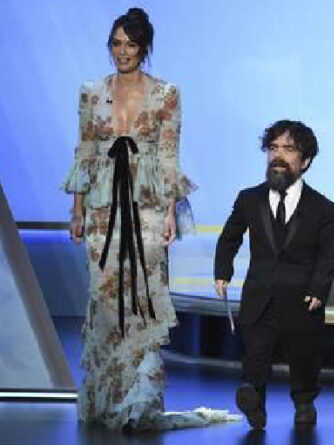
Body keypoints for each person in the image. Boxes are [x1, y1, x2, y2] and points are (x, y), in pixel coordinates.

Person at [62, 8, 236, 431]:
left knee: (144, 297)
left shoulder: (165, 94)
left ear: (144, 48)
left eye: (131, 44)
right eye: (117, 43)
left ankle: (140, 400)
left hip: (147, 205)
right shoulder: (90, 92)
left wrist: (172, 211)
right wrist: (78, 210)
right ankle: (107, 398)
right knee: (105, 299)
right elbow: (85, 153)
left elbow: (167, 154)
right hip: (103, 205)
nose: (123, 52)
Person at [214, 120, 334, 430]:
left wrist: (319, 289)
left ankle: (304, 401)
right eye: (273, 148)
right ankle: (254, 400)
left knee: (303, 356)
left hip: (302, 298)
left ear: (305, 160)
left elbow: (328, 254)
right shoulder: (249, 198)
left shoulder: (324, 208)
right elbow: (230, 236)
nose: (278, 156)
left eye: (288, 149)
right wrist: (223, 271)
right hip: (260, 293)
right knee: (256, 354)